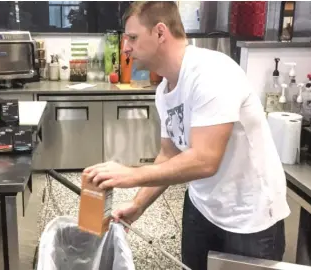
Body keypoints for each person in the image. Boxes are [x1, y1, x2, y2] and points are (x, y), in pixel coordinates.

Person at [84, 2, 290, 269]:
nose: (126, 47)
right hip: (202, 207)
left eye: (133, 37)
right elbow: (170, 153)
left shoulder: (212, 72)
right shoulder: (165, 89)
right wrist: (138, 205)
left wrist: (131, 174)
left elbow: (205, 160)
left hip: (249, 217)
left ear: (160, 33)